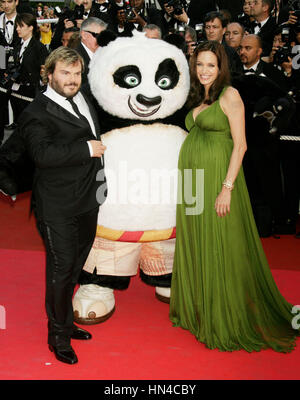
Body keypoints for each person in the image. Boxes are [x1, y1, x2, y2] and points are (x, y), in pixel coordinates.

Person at [169, 40, 299, 353]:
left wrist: (227, 188)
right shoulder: (198, 95)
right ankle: (197, 308)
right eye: (199, 64)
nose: (204, 71)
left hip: (217, 180)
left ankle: (221, 311)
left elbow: (240, 145)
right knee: (195, 238)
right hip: (192, 181)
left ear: (221, 67)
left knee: (219, 242)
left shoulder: (230, 95)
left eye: (210, 65)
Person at [18, 46, 107, 364]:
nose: (72, 79)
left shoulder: (84, 98)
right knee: (61, 270)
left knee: (74, 268)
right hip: (57, 206)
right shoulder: (36, 113)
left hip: (89, 198)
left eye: (77, 73)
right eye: (65, 73)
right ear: (49, 73)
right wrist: (86, 149)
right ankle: (57, 336)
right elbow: (42, 155)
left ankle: (66, 324)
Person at [9, 13, 48, 127]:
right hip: (15, 91)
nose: (17, 29)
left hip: (31, 93)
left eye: (21, 26)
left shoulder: (39, 48)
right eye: (17, 26)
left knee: (30, 125)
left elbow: (44, 71)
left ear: (31, 27)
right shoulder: (17, 46)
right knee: (19, 123)